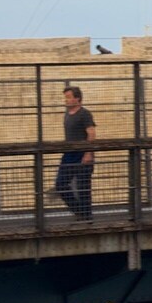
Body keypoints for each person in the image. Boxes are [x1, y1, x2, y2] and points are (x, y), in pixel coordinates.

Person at [56, 86, 97, 220]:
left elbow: (91, 134)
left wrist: (88, 153)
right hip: (69, 154)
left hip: (82, 153)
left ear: (77, 98)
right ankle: (79, 211)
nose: (66, 100)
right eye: (66, 97)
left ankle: (86, 217)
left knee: (83, 186)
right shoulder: (67, 114)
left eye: (69, 97)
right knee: (60, 184)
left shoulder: (84, 114)